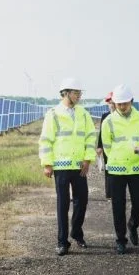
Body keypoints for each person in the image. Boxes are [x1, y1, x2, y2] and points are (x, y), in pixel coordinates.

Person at [38, 78, 97, 256]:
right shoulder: (53, 114)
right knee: (62, 204)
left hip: (79, 165)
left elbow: (90, 137)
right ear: (65, 93)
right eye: (76, 93)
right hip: (61, 167)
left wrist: (87, 160)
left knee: (82, 201)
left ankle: (76, 233)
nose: (79, 96)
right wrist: (47, 164)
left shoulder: (84, 114)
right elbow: (46, 140)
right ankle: (62, 242)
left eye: (80, 93)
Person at [100, 84, 139, 254]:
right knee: (118, 206)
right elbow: (106, 145)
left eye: (125, 103)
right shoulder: (108, 121)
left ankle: (133, 225)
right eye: (119, 103)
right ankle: (120, 239)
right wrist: (117, 156)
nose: (122, 107)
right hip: (116, 169)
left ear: (132, 101)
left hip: (136, 167)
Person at [96, 92, 116, 201]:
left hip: (117, 148)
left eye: (113, 103)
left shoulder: (120, 116)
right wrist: (99, 146)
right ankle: (110, 194)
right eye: (110, 103)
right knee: (108, 170)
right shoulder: (105, 116)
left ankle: (117, 192)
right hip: (107, 147)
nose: (111, 105)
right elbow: (101, 133)